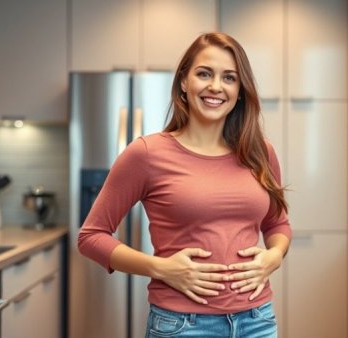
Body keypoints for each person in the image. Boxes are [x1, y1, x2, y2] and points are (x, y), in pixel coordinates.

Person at [78, 32, 292, 338]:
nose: (216, 86)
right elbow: (91, 237)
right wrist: (160, 268)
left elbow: (278, 224)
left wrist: (273, 257)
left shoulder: (260, 152)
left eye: (229, 78)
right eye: (204, 73)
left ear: (240, 90)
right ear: (183, 82)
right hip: (182, 325)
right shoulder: (147, 153)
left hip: (257, 320)